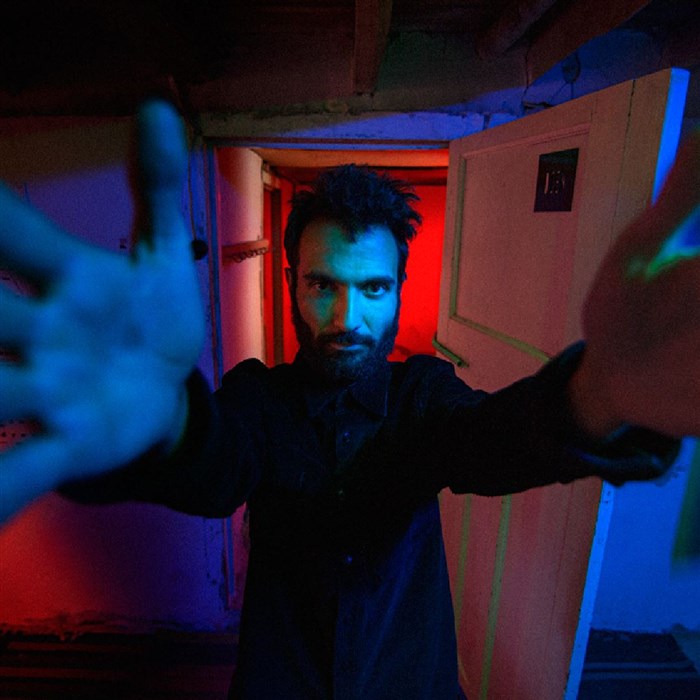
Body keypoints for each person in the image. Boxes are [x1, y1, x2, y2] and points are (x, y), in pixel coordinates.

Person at [0, 101, 698, 698]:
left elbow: (491, 441)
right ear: (291, 282)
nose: (346, 318)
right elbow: (216, 465)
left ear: (398, 291)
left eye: (372, 289)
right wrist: (170, 424)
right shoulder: (258, 398)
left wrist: (598, 393)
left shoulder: (422, 395)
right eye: (323, 285)